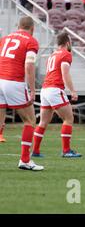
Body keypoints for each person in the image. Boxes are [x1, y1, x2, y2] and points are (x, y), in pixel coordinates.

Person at [0, 17, 43, 171]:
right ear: (32, 28)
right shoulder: (30, 41)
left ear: (18, 26)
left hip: (0, 78)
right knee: (30, 121)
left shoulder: (4, 39)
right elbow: (29, 66)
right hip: (14, 81)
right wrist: (32, 90)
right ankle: (25, 160)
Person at [31, 32, 81, 158]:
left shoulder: (52, 55)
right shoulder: (66, 54)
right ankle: (66, 150)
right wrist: (72, 90)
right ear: (67, 43)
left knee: (43, 122)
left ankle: (35, 151)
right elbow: (65, 73)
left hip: (45, 90)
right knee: (69, 119)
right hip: (55, 89)